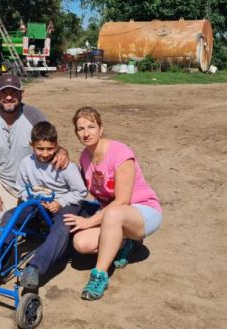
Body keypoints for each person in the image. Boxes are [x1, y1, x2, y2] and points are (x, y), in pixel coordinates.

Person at [0, 74, 69, 267]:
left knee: (8, 228)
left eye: (13, 92)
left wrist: (63, 152)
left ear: (21, 94)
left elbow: (52, 146)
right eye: (4, 92)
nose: (8, 97)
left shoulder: (34, 115)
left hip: (27, 185)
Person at [63, 106, 162, 301]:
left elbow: (122, 200)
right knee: (81, 243)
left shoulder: (120, 152)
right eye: (80, 129)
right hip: (112, 215)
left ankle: (99, 276)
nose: (86, 133)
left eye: (91, 126)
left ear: (101, 129)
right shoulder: (85, 157)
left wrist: (88, 222)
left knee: (114, 214)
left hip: (142, 211)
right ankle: (126, 242)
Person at [0, 121, 86, 287]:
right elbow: (21, 187)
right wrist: (31, 198)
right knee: (10, 216)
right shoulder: (26, 163)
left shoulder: (66, 167)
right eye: (40, 148)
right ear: (32, 146)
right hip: (36, 202)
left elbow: (80, 192)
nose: (45, 154)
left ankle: (35, 268)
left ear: (56, 146)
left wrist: (60, 202)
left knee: (61, 228)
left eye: (50, 149)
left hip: (64, 202)